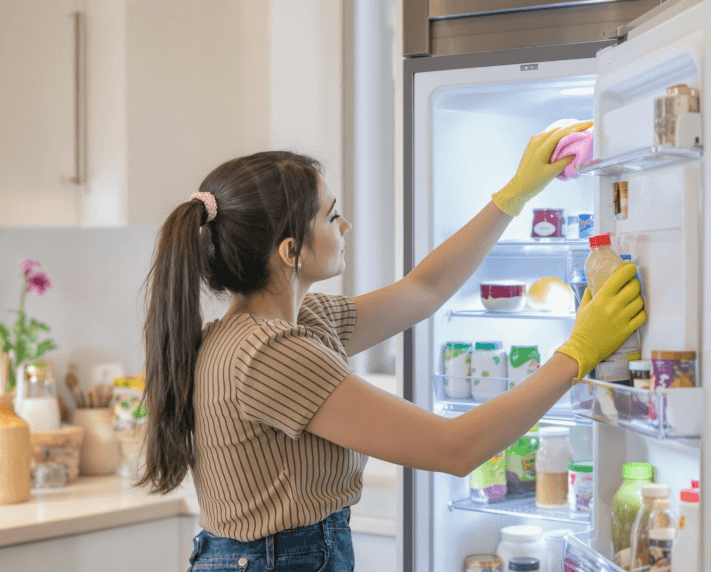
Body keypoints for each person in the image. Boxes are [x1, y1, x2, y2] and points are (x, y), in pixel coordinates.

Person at [138, 120, 645, 571]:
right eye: (332, 217)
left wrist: (512, 195)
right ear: (291, 252)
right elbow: (454, 448)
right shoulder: (271, 356)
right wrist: (577, 353)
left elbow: (421, 291)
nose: (347, 226)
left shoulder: (294, 324)